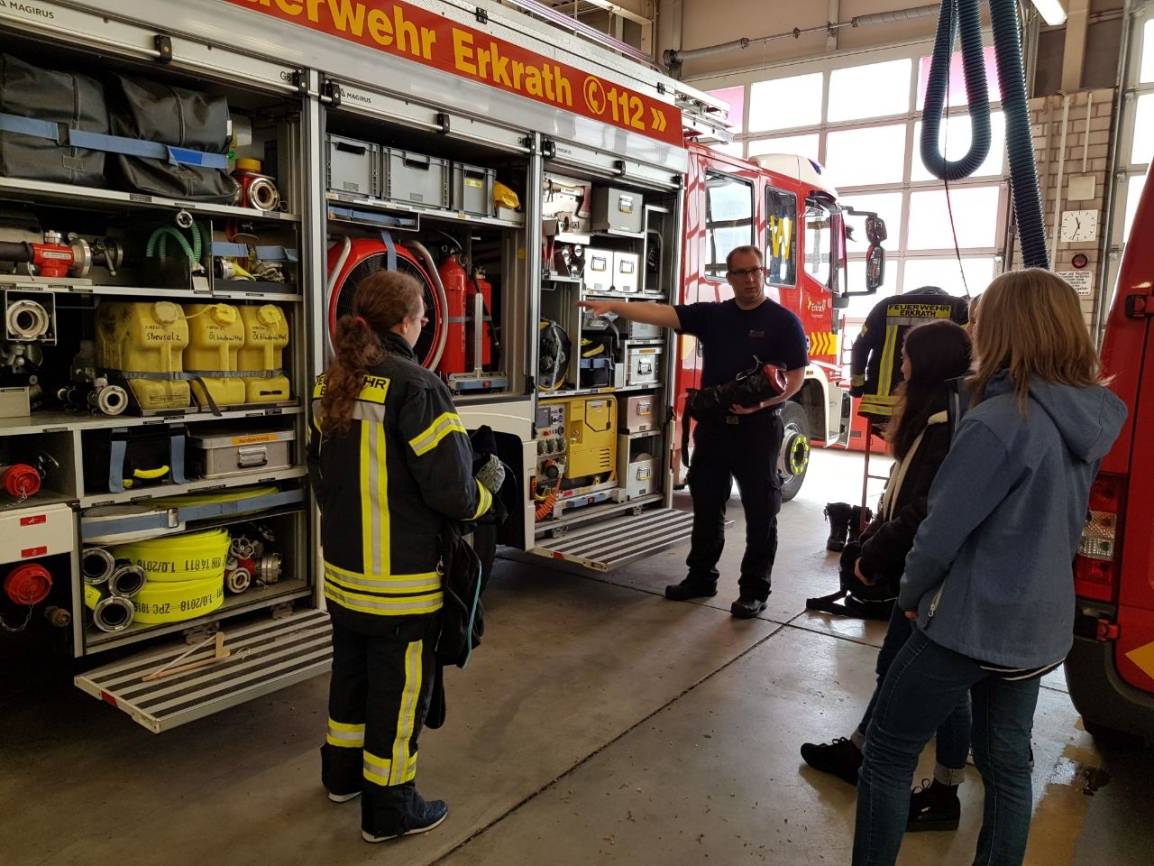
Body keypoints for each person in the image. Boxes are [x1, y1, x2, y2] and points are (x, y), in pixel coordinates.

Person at [851, 270, 1127, 866]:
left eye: (979, 319)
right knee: (1006, 765)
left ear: (1006, 328)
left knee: (889, 753)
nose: (971, 330)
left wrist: (909, 595)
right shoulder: (1089, 416)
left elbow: (938, 535)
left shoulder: (999, 423)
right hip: (1038, 630)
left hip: (970, 626)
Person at [308, 270, 504, 844]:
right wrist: (491, 490)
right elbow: (456, 495)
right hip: (402, 586)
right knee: (397, 698)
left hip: (346, 581)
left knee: (351, 681)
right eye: (422, 317)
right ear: (407, 323)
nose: (424, 325)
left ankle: (342, 777)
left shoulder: (333, 382)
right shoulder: (416, 387)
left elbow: (323, 480)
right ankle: (390, 809)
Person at [801, 319, 973, 832]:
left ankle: (942, 789)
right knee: (896, 669)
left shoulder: (944, 424)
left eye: (905, 359)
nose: (898, 368)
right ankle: (860, 751)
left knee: (938, 685)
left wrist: (876, 551)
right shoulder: (942, 416)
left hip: (924, 573)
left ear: (927, 364)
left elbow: (926, 507)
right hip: (917, 568)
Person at [578, 245, 807, 618]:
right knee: (706, 508)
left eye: (756, 271)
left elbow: (796, 377)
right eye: (741, 273)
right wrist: (615, 305)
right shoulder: (714, 316)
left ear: (763, 273)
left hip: (758, 430)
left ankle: (754, 590)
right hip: (715, 429)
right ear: (729, 278)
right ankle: (701, 578)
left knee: (762, 513)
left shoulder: (783, 322)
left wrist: (760, 404)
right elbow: (660, 313)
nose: (750, 279)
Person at [850, 286, 969, 421]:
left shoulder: (884, 307)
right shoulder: (957, 308)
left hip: (882, 405)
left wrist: (857, 387)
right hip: (936, 404)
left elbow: (860, 347)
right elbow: (967, 352)